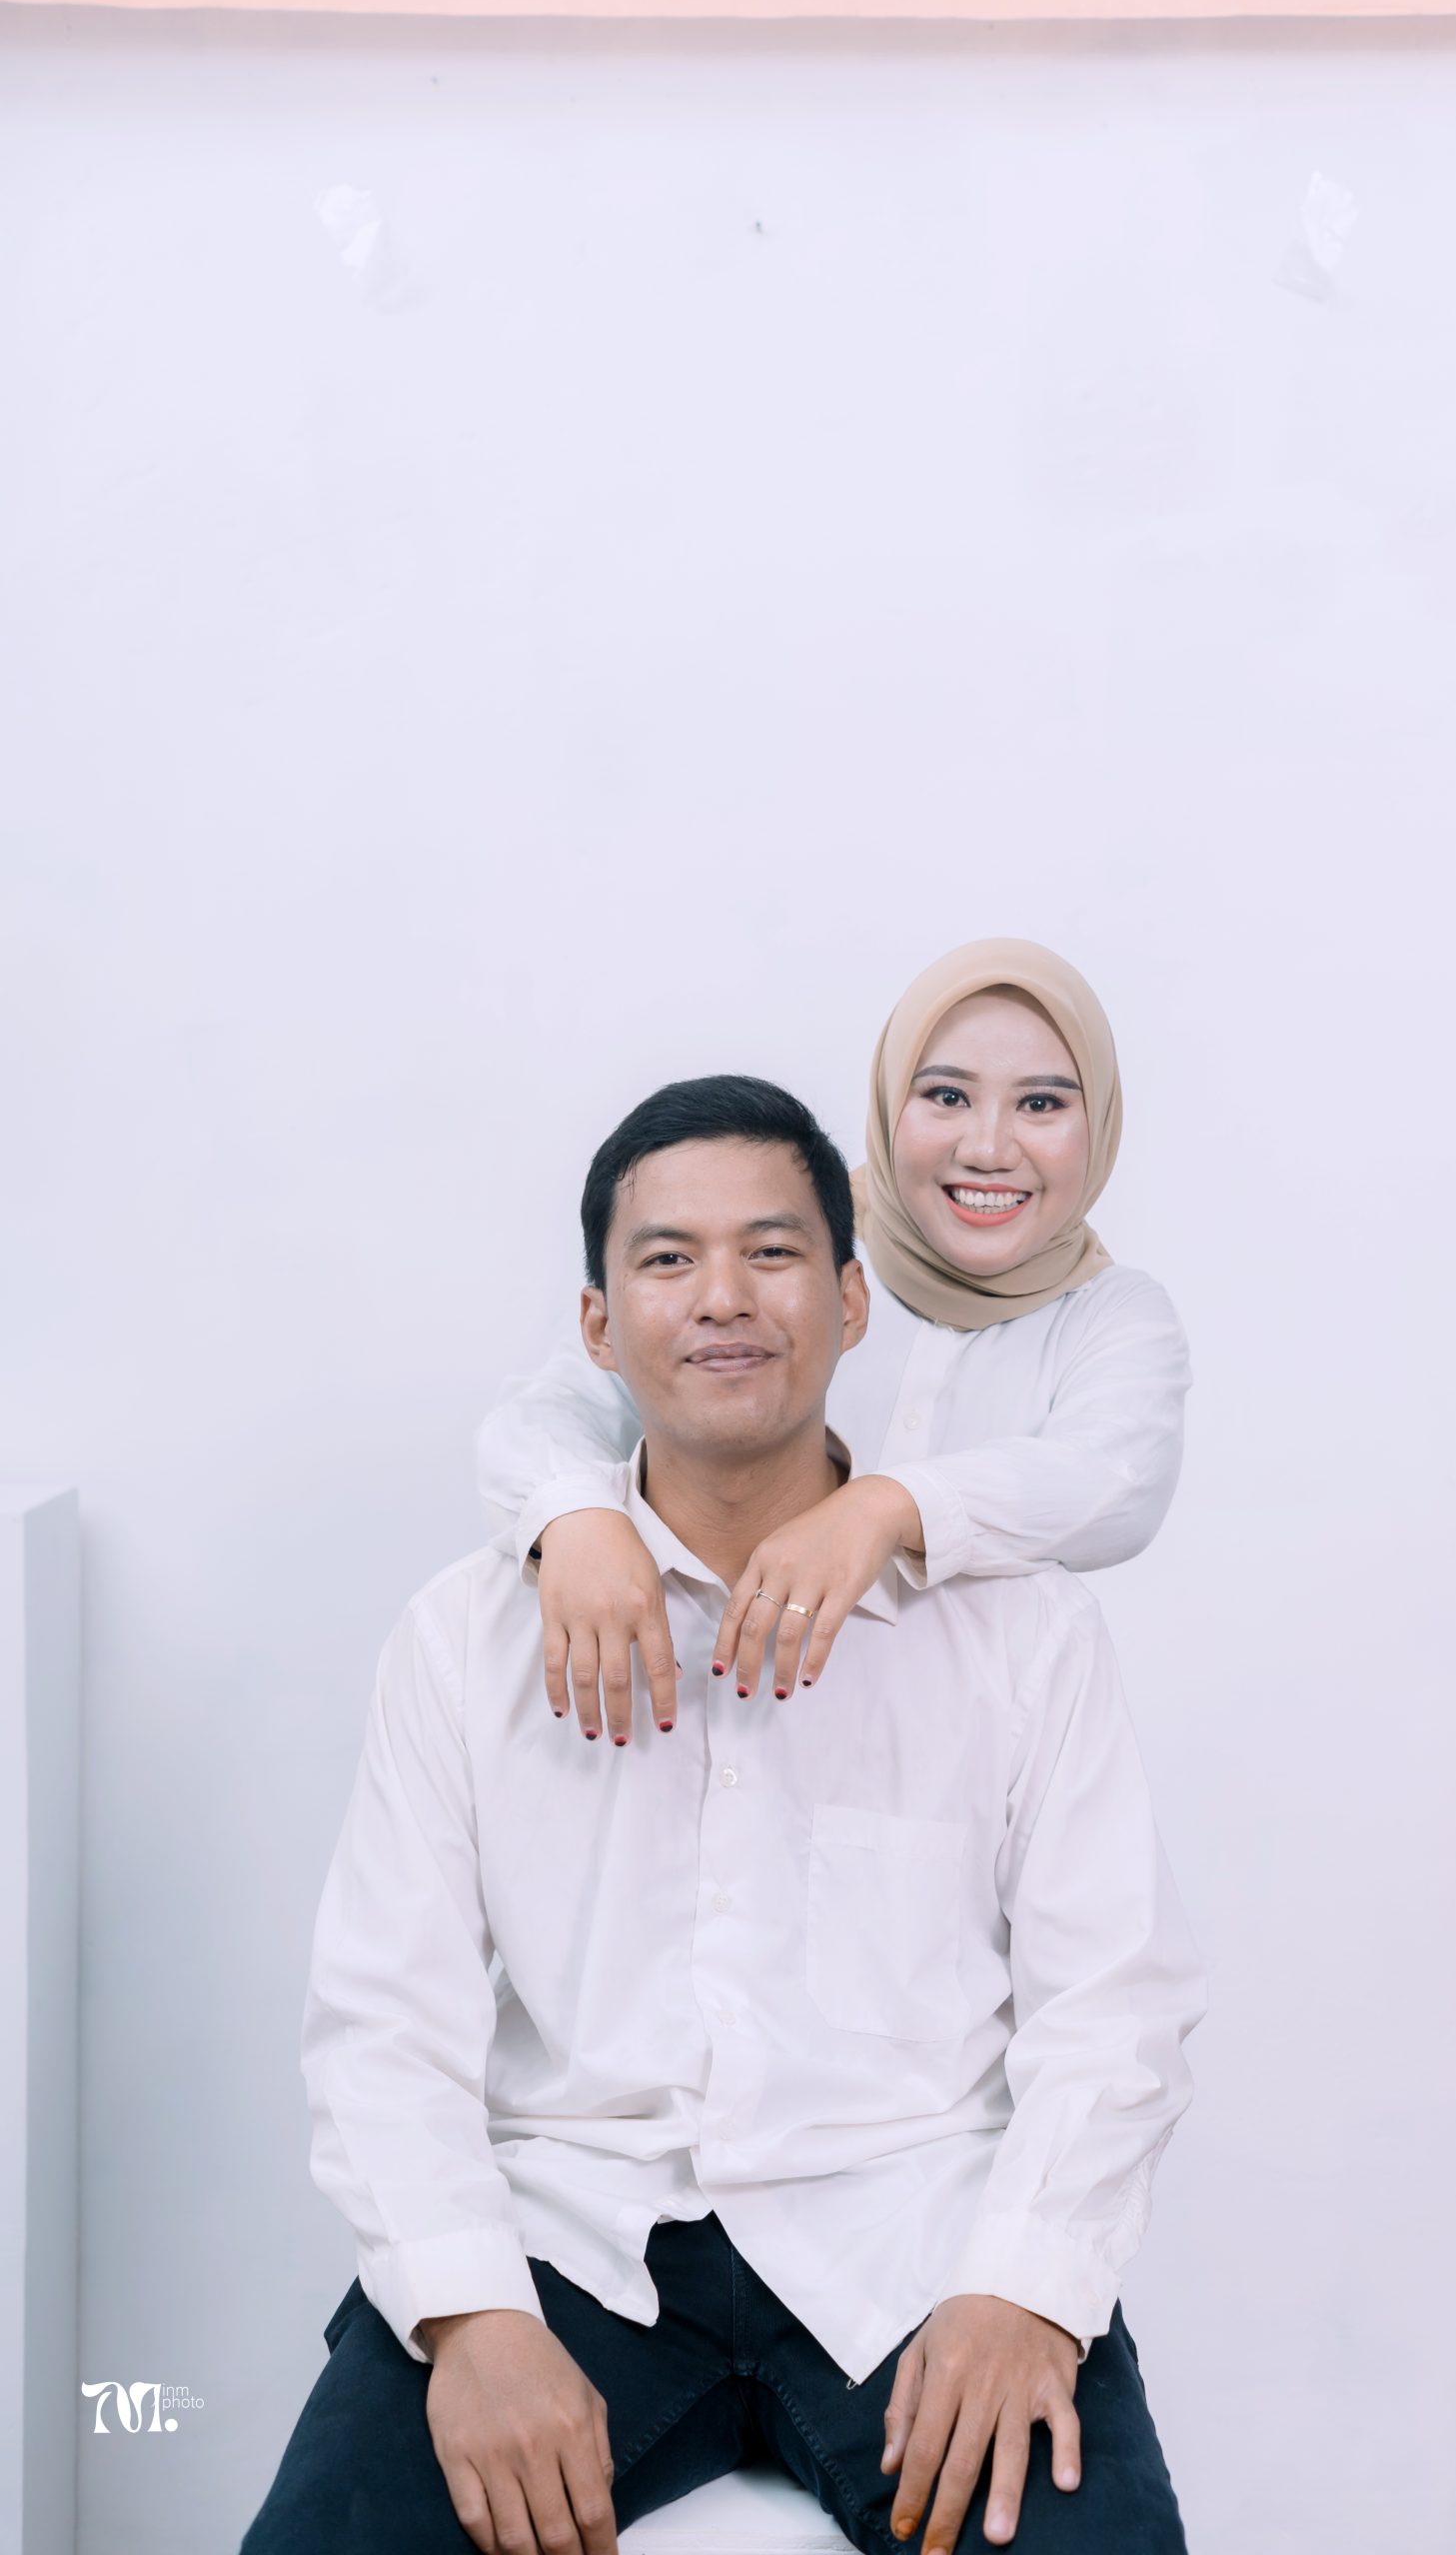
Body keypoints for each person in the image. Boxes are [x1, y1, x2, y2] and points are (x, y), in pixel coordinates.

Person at [240, 1075, 1205, 2555]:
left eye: (770, 1251)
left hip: (915, 2242)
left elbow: (1113, 2002)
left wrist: (1025, 2291)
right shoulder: (463, 1635)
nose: (722, 1298)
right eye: (667, 1258)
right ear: (596, 1323)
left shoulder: (1019, 1629)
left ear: (851, 1299)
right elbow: (385, 2018)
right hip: (571, 2241)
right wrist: (470, 2315)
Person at [478, 939, 1192, 1740]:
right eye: (946, 1095)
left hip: (955, 1744)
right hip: (684, 1719)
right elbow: (550, 1409)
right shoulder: (784, 1249)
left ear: (1100, 1123)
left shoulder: (1114, 1317)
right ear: (889, 1102)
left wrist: (881, 1508)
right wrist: (575, 1514)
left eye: (1041, 1104)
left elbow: (1114, 1484)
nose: (988, 1148)